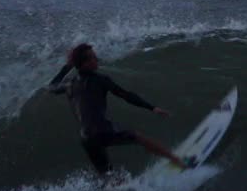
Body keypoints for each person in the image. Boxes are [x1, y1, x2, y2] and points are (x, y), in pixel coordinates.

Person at [47, 43, 195, 176]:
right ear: (84, 64)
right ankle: (179, 161)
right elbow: (126, 95)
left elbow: (51, 87)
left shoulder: (69, 85)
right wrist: (152, 108)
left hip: (86, 138)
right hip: (102, 130)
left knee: (108, 175)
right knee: (140, 138)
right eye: (92, 58)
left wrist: (67, 66)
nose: (97, 59)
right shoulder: (100, 80)